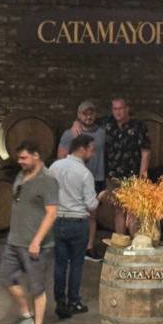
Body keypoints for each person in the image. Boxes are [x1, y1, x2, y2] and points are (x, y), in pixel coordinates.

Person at [0, 140, 59, 324]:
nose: (20, 162)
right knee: (5, 277)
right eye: (19, 158)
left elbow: (52, 213)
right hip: (14, 240)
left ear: (36, 155)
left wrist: (37, 241)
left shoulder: (47, 180)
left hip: (35, 244)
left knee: (37, 288)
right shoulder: (22, 174)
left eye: (24, 158)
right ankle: (26, 315)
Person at [75, 97, 150, 235]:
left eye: (121, 108)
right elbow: (88, 122)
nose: (118, 112)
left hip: (132, 176)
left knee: (133, 211)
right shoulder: (107, 123)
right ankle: (121, 242)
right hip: (113, 176)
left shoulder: (138, 126)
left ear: (127, 109)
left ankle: (134, 244)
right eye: (115, 109)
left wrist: (142, 177)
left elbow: (145, 152)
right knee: (118, 210)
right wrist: (76, 123)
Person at [49, 134, 101, 319]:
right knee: (77, 263)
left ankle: (59, 301)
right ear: (82, 149)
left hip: (57, 220)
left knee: (60, 263)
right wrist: (100, 198)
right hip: (78, 222)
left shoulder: (55, 166)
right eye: (91, 149)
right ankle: (73, 301)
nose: (93, 154)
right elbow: (91, 204)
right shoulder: (84, 173)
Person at [58, 100, 106, 261]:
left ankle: (89, 247)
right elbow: (61, 157)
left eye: (91, 113)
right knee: (75, 211)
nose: (89, 116)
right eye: (85, 114)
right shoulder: (70, 133)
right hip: (76, 178)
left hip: (96, 176)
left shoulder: (102, 132)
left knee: (92, 213)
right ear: (79, 116)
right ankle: (72, 247)